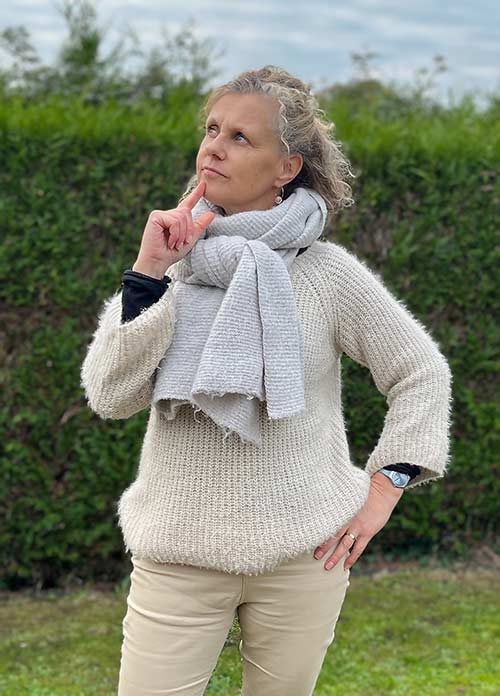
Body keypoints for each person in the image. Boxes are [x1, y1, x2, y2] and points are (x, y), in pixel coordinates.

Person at [80, 65, 453, 696]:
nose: (214, 147)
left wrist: (387, 483)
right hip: (177, 553)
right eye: (212, 129)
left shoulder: (326, 273)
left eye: (240, 138)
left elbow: (420, 371)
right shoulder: (174, 265)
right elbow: (109, 394)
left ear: (287, 167)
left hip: (306, 555)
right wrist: (147, 270)